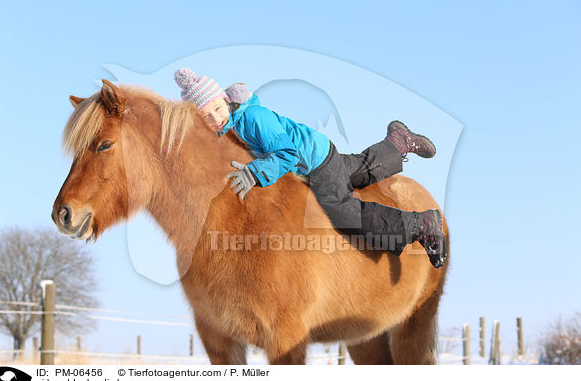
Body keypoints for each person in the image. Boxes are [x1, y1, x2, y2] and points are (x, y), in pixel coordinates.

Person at [174, 68, 447, 268]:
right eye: (206, 117)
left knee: (344, 213)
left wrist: (255, 172)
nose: (216, 119)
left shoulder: (254, 119)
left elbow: (288, 154)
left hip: (313, 163)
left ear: (225, 100)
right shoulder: (229, 127)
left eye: (218, 110)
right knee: (361, 169)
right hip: (319, 150)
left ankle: (420, 224)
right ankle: (398, 142)